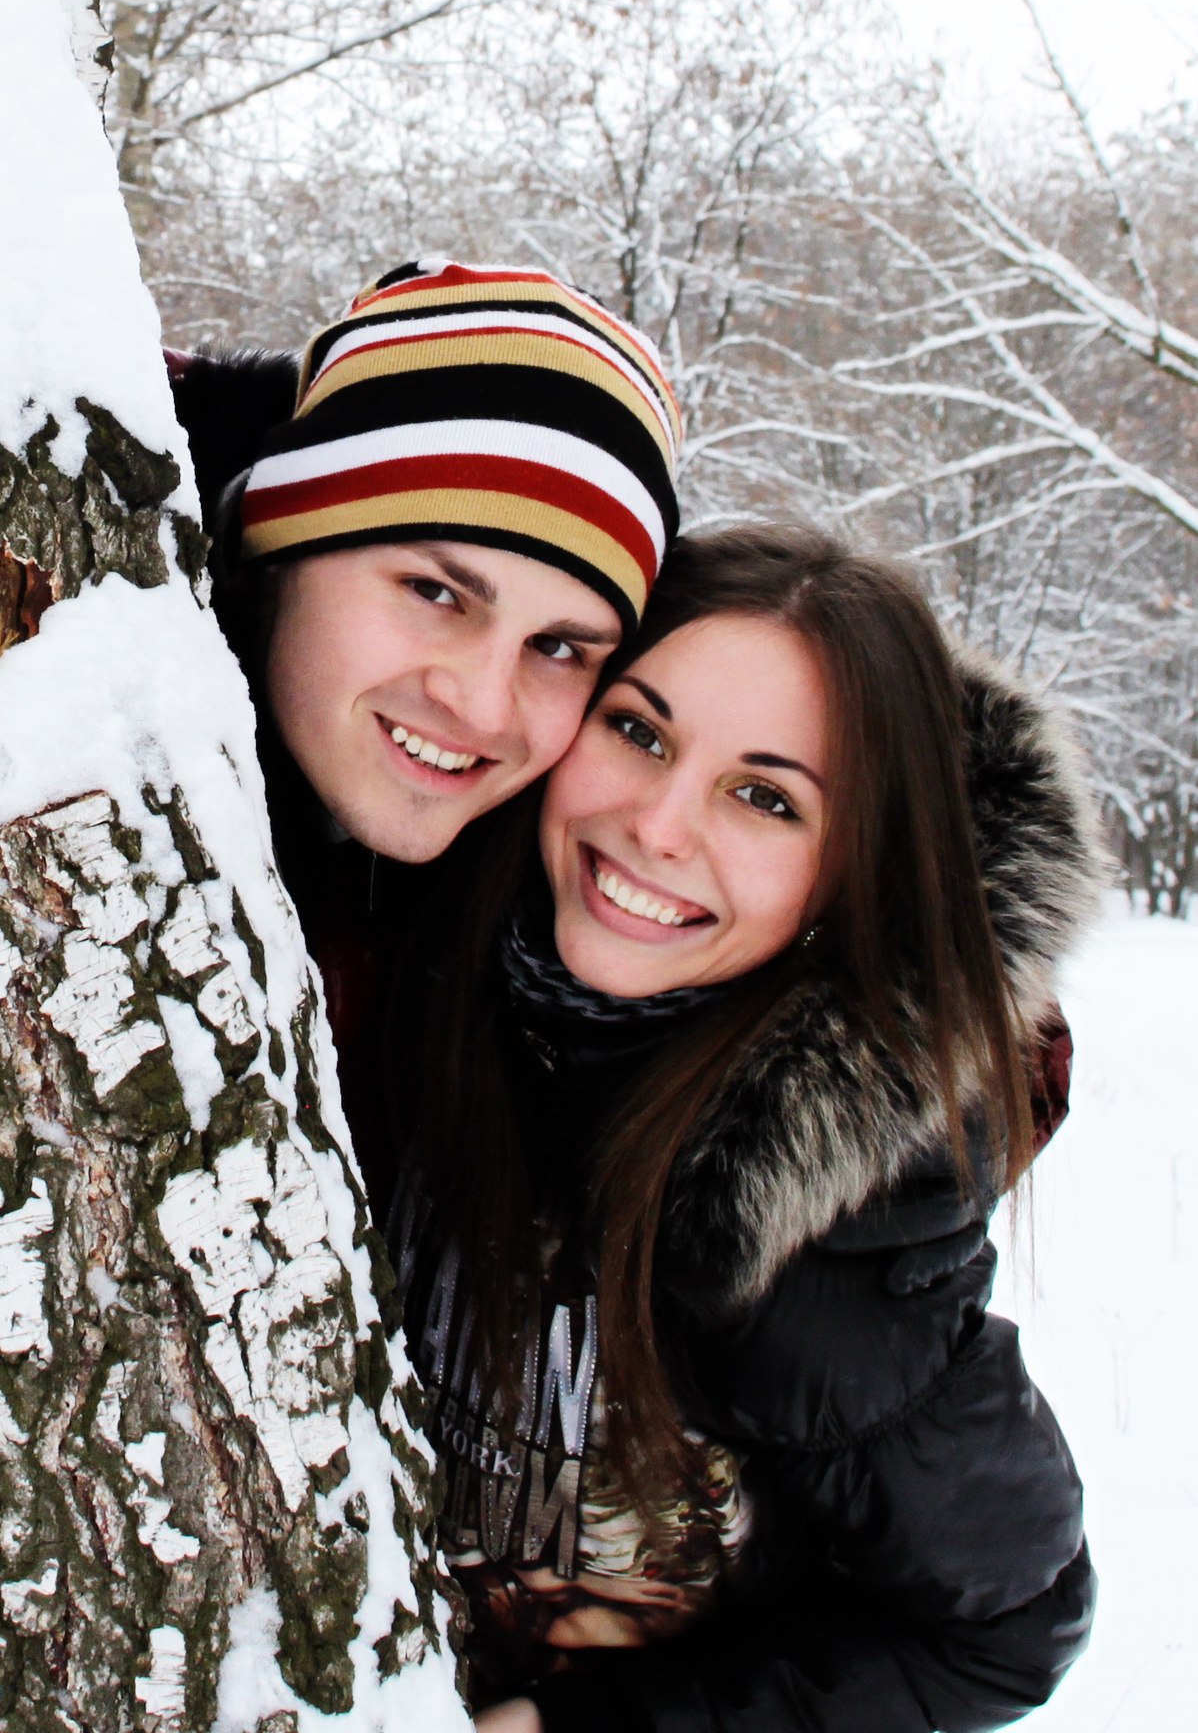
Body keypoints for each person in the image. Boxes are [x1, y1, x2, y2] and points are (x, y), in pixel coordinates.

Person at [386, 525, 1104, 1733]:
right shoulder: (400, 965)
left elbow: (1000, 1630)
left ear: (859, 872)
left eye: (766, 797)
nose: (658, 824)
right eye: (637, 730)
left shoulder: (837, 1236)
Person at [168, 257, 681, 1210]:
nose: (483, 708)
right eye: (437, 592)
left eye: (558, 647)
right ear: (276, 551)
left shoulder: (545, 921)